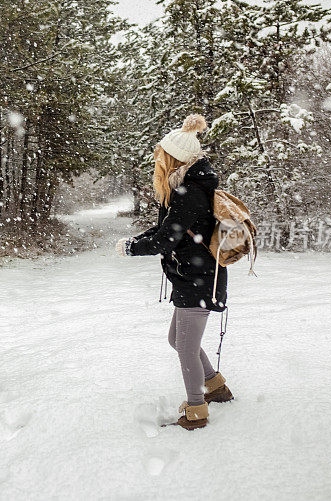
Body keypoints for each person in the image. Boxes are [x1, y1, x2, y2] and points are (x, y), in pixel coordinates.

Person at [117, 114, 233, 430]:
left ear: (173, 158)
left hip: (199, 280)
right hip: (192, 278)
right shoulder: (187, 188)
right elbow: (166, 229)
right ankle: (215, 386)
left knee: (184, 347)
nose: (157, 161)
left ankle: (196, 410)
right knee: (178, 340)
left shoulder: (190, 192)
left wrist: (132, 248)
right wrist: (136, 240)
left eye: (161, 156)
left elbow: (167, 237)